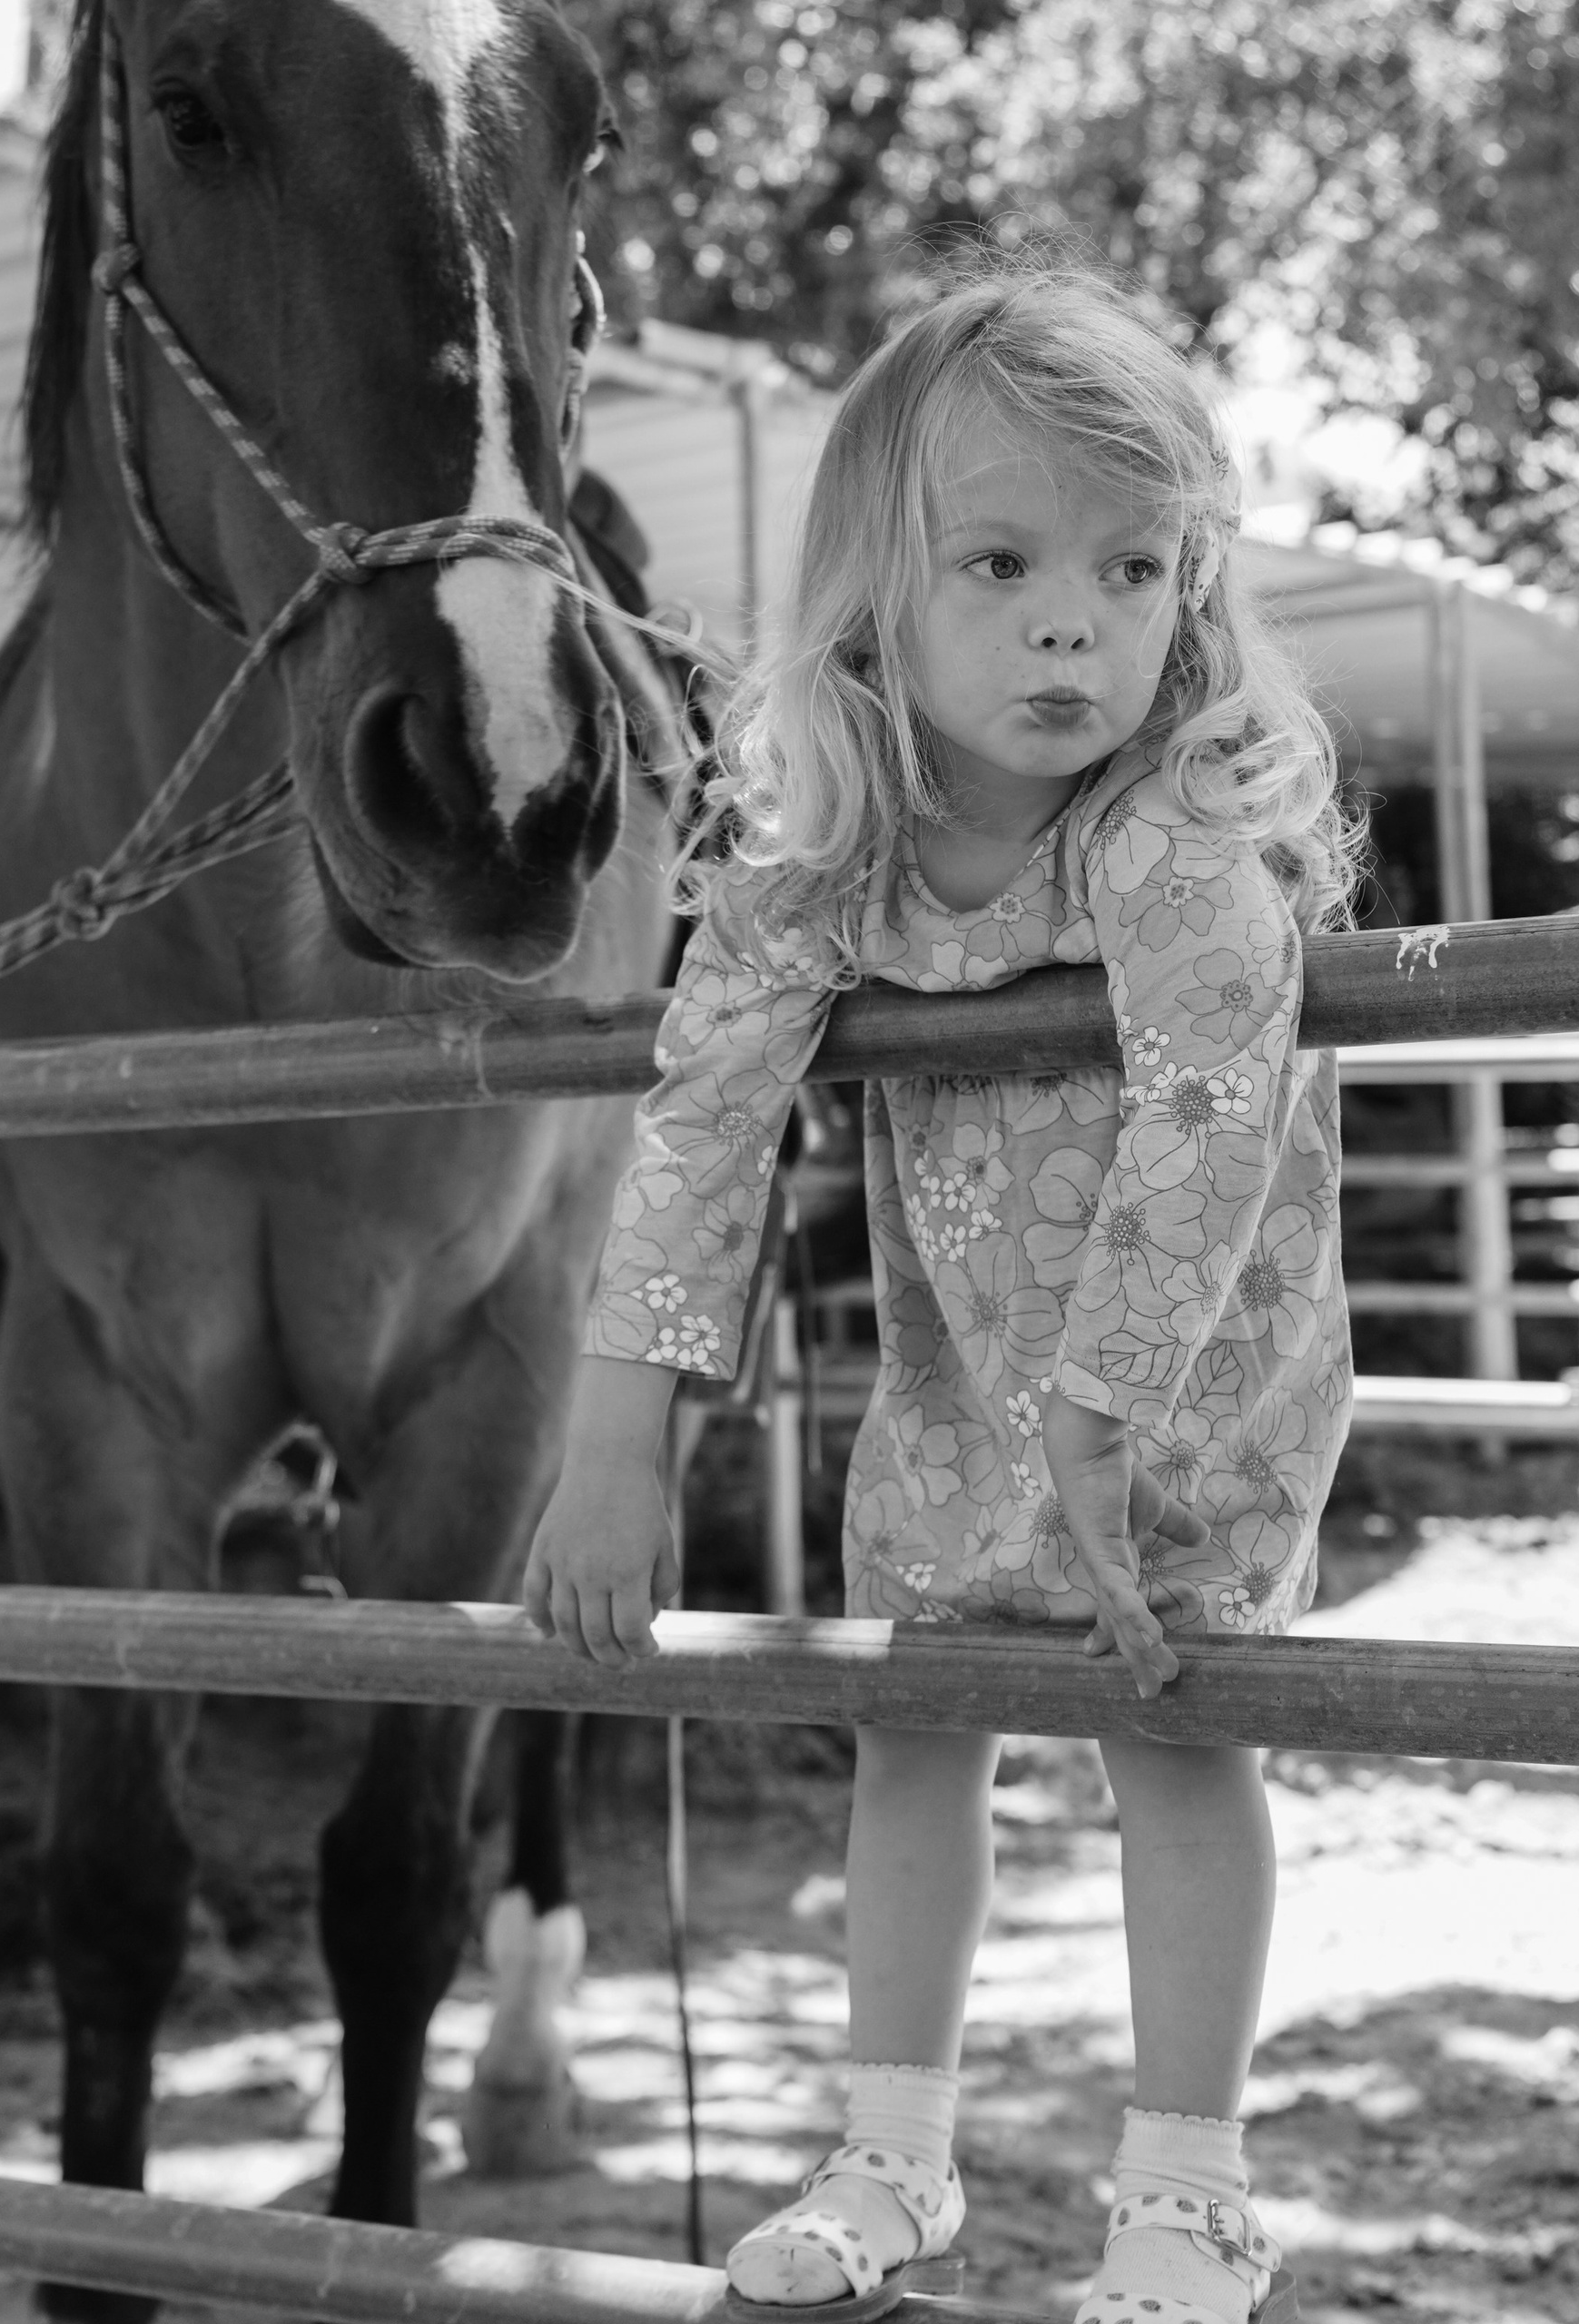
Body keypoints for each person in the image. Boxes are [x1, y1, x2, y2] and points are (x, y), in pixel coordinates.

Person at [524, 258, 1359, 2324]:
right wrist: (609, 1440)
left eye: (1130, 566)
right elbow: (701, 1122)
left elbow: (1202, 1125)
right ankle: (888, 2151)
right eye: (994, 562)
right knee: (915, 1714)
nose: (1069, 620)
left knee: (1169, 1727)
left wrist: (1102, 1416)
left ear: (1191, 588)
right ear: (873, 591)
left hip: (1191, 1366)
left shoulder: (1171, 841)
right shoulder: (827, 850)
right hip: (964, 1360)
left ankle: (1184, 2194)